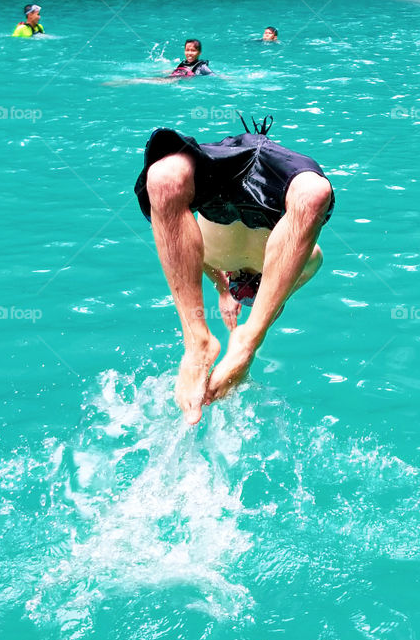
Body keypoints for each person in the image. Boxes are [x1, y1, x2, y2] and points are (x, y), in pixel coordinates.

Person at [135, 115, 334, 423]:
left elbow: (196, 258)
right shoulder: (306, 263)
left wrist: (223, 289)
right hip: (276, 187)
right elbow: (283, 286)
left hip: (220, 198)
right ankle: (203, 341)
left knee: (162, 178)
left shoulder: (215, 261)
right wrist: (243, 309)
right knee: (313, 194)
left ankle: (223, 341)